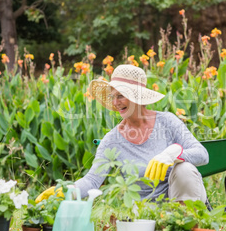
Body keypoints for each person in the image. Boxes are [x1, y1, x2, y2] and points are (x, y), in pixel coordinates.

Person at [37, 64, 209, 203]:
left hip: (182, 205)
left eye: (121, 96)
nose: (115, 102)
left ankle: (186, 228)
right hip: (145, 213)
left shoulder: (167, 122)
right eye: (113, 96)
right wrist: (67, 190)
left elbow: (202, 154)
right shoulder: (112, 140)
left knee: (184, 168)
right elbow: (93, 180)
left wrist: (172, 155)